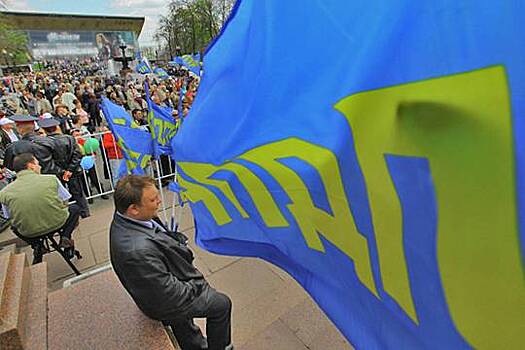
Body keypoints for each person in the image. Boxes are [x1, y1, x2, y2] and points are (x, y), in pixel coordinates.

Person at [110, 175, 233, 350]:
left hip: (162, 285)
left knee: (184, 324)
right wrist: (196, 286)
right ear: (133, 209)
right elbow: (169, 296)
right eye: (153, 199)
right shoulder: (137, 251)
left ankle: (193, 344)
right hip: (164, 301)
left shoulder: (133, 217)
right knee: (221, 304)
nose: (159, 201)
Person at [0, 153, 80, 261]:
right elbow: (65, 200)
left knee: (14, 227)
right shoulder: (51, 179)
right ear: (31, 166)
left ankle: (37, 245)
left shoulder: (4, 192)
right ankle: (65, 236)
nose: (40, 166)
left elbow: (8, 216)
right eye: (38, 163)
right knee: (74, 209)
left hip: (29, 231)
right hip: (57, 222)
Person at [39, 118, 90, 218]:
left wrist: (63, 172)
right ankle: (84, 212)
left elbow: (47, 161)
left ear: (44, 130)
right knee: (78, 193)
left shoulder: (45, 143)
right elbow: (77, 155)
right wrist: (69, 170)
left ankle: (65, 216)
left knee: (60, 195)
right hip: (72, 171)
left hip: (57, 173)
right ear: (57, 127)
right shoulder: (69, 138)